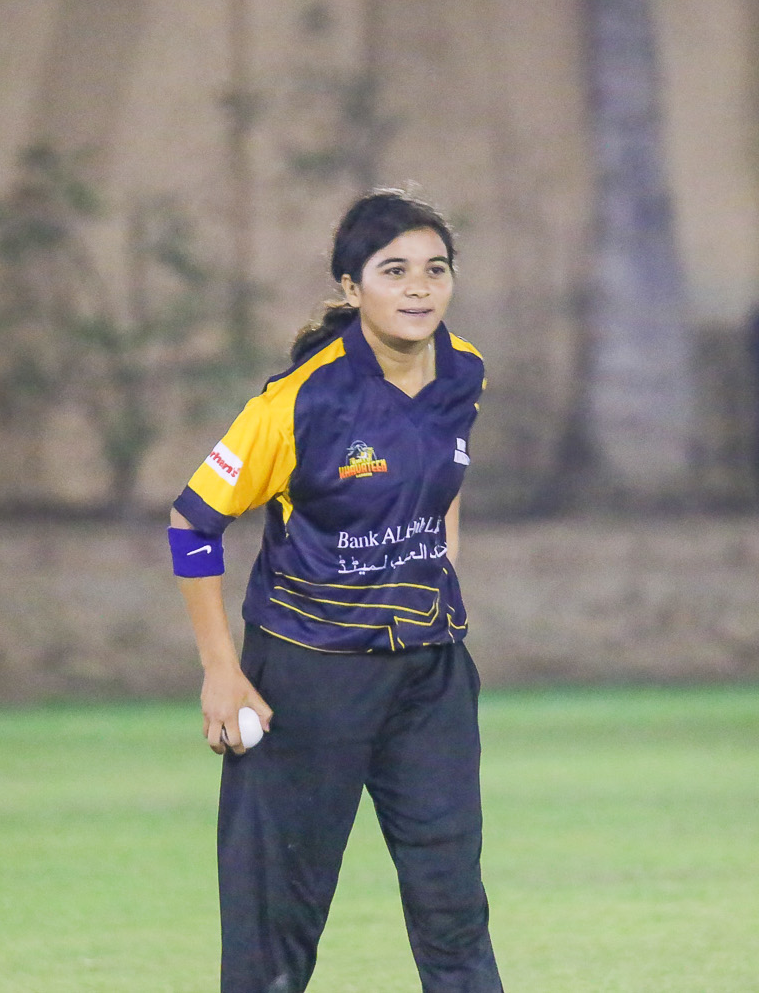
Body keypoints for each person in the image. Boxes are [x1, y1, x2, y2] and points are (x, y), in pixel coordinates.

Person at [169, 189, 503, 993]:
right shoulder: (300, 402)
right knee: (277, 923)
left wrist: (435, 567)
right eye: (395, 271)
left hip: (429, 677)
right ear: (352, 288)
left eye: (435, 269)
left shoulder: (464, 370)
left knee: (454, 907)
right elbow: (191, 524)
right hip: (309, 678)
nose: (419, 287)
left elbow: (443, 475)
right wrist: (221, 671)